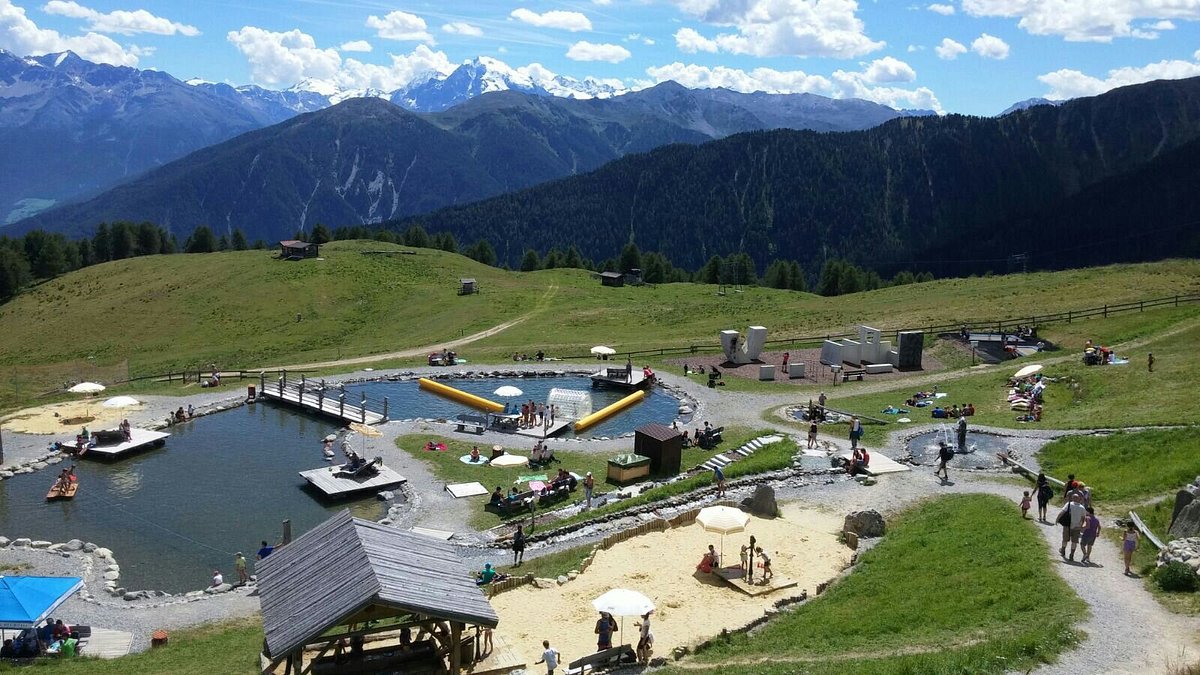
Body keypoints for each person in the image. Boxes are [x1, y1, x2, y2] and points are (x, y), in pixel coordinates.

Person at [1057, 494, 1087, 561]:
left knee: (1065, 539)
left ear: (1072, 498)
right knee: (1074, 542)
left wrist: (1057, 519)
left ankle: (1063, 551)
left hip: (1068, 525)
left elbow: (1062, 512)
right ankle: (1071, 555)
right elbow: (1083, 518)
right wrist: (1082, 526)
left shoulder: (1069, 504)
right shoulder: (1082, 507)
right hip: (1077, 527)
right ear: (1079, 499)